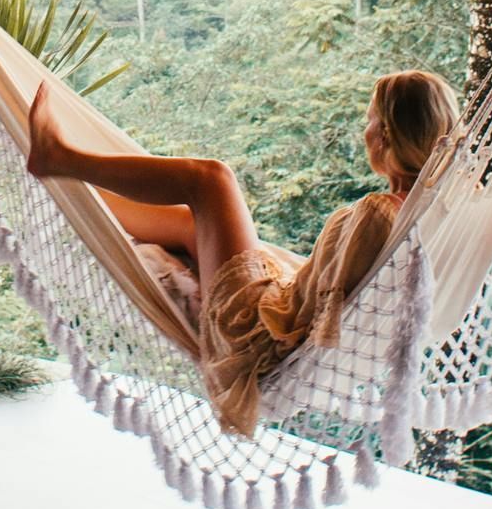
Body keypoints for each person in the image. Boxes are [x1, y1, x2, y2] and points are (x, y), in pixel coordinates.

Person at [27, 68, 459, 434]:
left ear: (385, 132)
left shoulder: (378, 213)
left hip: (255, 337)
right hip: (274, 327)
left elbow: (321, 317)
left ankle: (60, 158)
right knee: (189, 222)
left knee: (212, 179)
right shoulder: (429, 212)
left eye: (369, 120)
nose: (364, 131)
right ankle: (75, 198)